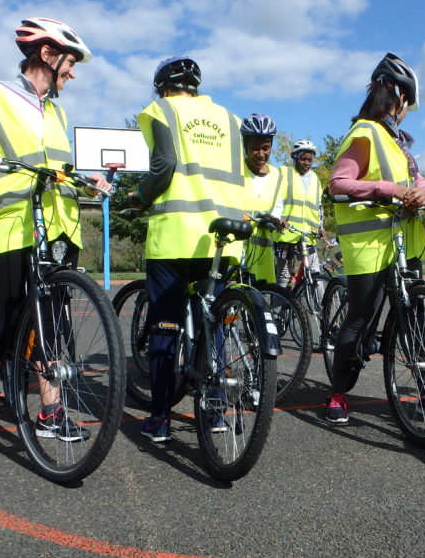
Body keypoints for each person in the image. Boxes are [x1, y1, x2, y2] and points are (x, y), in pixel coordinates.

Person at [0, 17, 110, 460]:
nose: (72, 73)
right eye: (70, 62)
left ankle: (50, 413)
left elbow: (55, 169)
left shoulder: (56, 111)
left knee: (52, 326)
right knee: (0, 324)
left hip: (55, 227)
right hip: (10, 224)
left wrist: (86, 182)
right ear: (48, 55)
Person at [130, 56, 246, 442]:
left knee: (165, 327)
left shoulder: (162, 109)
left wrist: (140, 195)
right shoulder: (229, 118)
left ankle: (160, 418)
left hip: (177, 234)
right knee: (212, 323)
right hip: (223, 238)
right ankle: (215, 409)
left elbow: (164, 165)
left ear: (163, 86)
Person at [323, 53, 425, 423]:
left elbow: (416, 179)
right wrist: (389, 190)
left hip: (405, 245)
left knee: (415, 319)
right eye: (408, 105)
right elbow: (339, 183)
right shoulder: (365, 132)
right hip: (370, 247)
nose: (407, 113)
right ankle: (338, 393)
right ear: (398, 96)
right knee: (360, 321)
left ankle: (424, 391)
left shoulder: (398, 141)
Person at [240, 113, 285, 284]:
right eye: (254, 149)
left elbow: (277, 208)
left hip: (262, 256)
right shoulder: (234, 171)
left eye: (266, 148)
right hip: (236, 253)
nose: (261, 154)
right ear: (245, 147)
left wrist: (275, 220)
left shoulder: (277, 176)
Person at [273, 139, 325, 287]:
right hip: (286, 233)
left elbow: (318, 207)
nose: (307, 163)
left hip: (308, 235)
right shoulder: (284, 173)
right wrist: (277, 218)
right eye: (303, 159)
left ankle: (322, 308)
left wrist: (320, 227)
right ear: (295, 158)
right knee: (283, 276)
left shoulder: (315, 179)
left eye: (310, 159)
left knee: (315, 274)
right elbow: (276, 198)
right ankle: (278, 307)